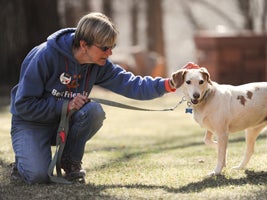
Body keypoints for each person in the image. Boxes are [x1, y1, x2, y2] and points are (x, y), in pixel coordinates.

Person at [9, 12, 178, 184]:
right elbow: (24, 105)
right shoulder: (45, 56)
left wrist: (169, 84)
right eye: (105, 48)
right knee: (38, 177)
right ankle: (22, 162)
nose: (110, 53)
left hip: (63, 123)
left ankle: (70, 162)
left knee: (93, 111)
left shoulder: (99, 64)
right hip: (31, 122)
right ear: (84, 44)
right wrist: (65, 106)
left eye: (113, 46)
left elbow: (132, 84)